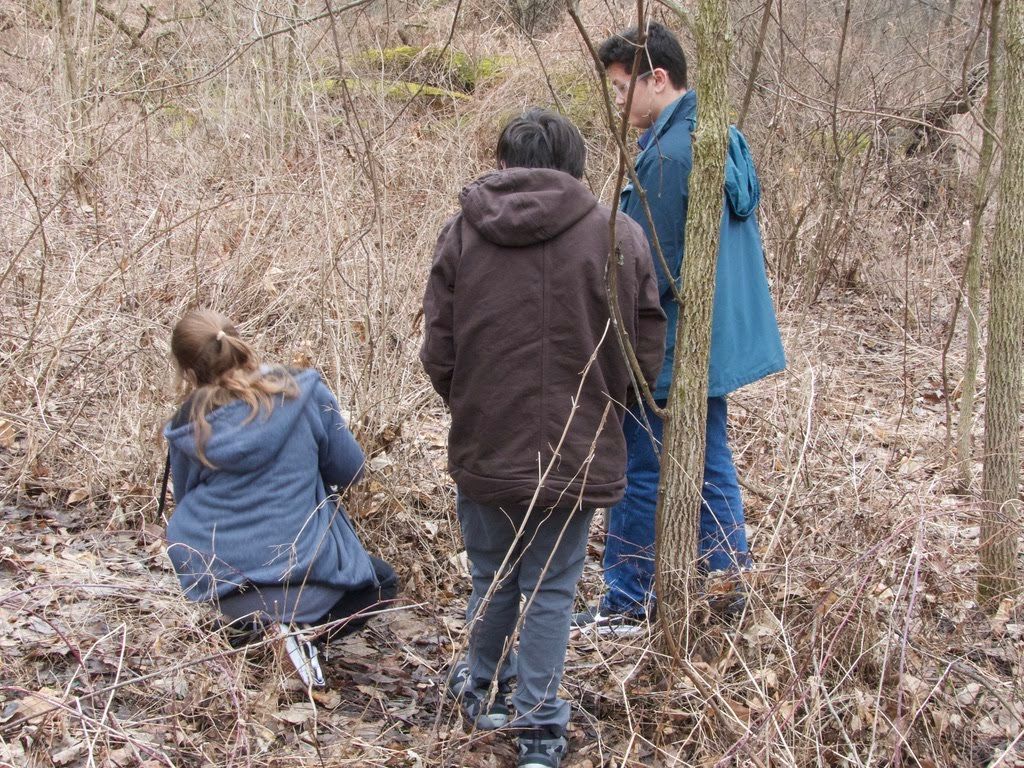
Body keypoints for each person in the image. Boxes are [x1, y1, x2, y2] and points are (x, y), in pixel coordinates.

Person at [420, 109, 665, 768]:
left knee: (493, 578)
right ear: (575, 165)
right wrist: (604, 406)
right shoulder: (618, 234)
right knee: (552, 589)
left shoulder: (462, 233)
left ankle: (480, 688)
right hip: (578, 444)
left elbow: (438, 348)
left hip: (486, 440)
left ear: (504, 162)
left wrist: (473, 405)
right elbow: (645, 349)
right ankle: (538, 728)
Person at [574, 22, 786, 631]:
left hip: (669, 345)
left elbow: (651, 269)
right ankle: (728, 585)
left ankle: (629, 599)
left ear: (656, 79)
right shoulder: (716, 139)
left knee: (641, 468)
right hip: (708, 342)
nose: (618, 102)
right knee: (707, 460)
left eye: (621, 88)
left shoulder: (671, 156)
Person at [163, 309, 397, 642]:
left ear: (186, 372)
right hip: (310, 585)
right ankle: (300, 637)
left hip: (220, 588)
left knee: (243, 602)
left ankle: (250, 633)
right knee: (382, 582)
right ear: (241, 343)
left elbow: (185, 498)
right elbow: (351, 470)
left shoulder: (187, 424)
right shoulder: (302, 391)